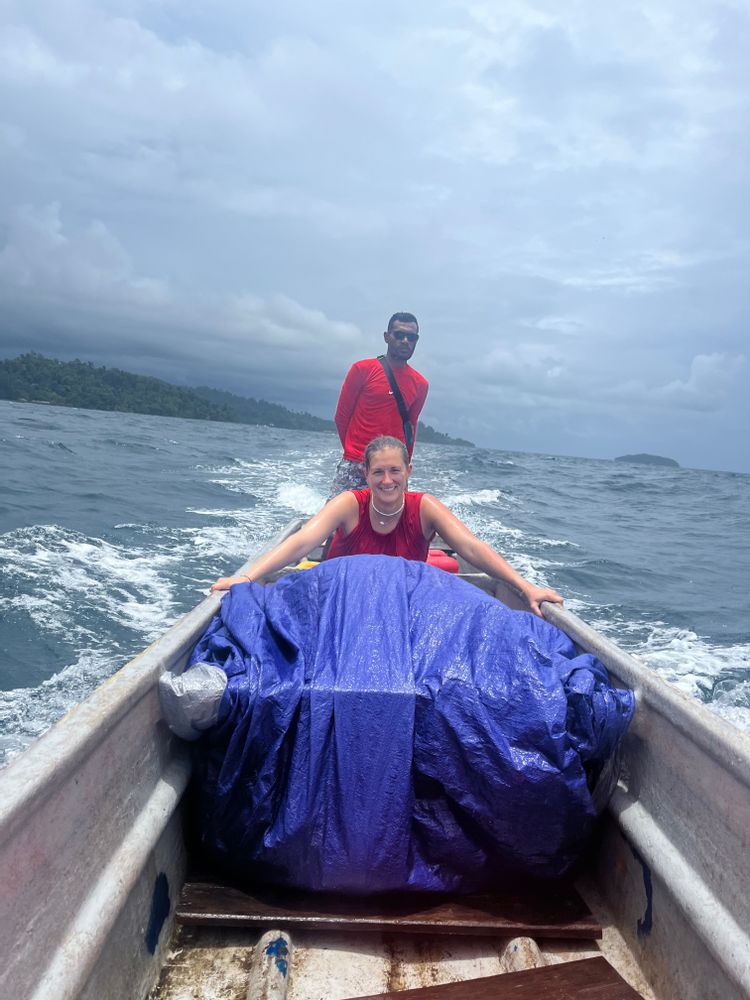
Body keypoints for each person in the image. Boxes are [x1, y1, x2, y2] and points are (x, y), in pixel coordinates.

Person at [212, 436, 563, 617]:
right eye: (378, 471)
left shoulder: (425, 508)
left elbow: (471, 548)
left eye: (395, 470)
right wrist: (246, 578)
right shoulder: (350, 504)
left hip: (400, 608)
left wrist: (524, 586)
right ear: (366, 474)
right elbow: (303, 541)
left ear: (408, 472)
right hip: (340, 604)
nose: (387, 480)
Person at [328, 312, 428, 498]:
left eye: (411, 337)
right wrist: (354, 452)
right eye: (399, 335)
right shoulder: (362, 369)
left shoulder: (421, 384)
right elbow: (341, 417)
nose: (405, 341)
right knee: (337, 522)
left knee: (392, 524)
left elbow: (410, 429)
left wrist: (403, 466)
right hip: (357, 464)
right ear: (387, 337)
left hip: (394, 468)